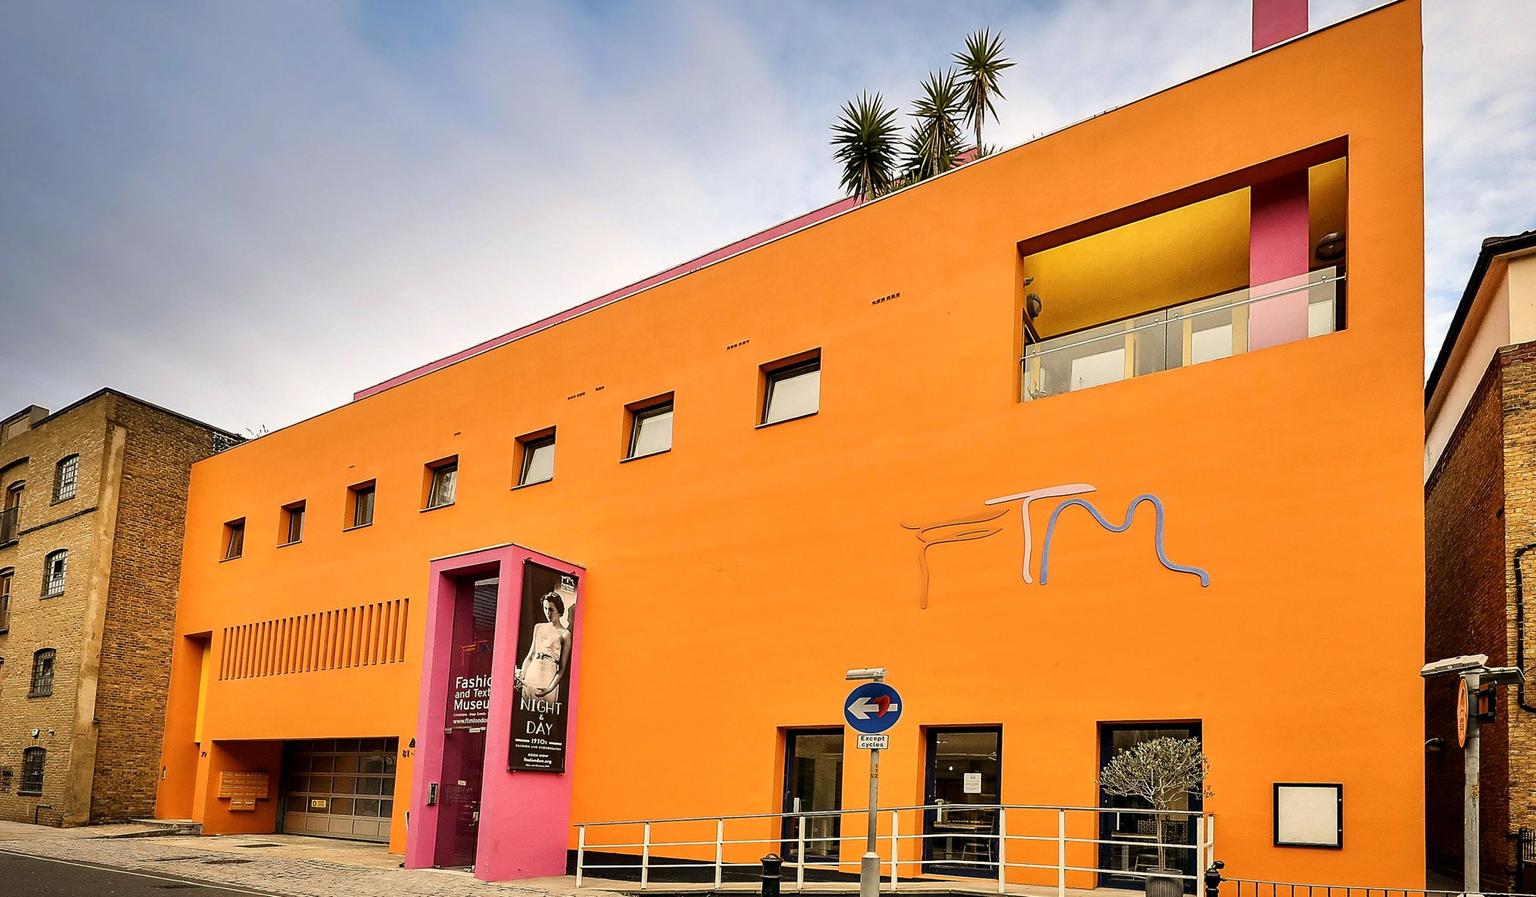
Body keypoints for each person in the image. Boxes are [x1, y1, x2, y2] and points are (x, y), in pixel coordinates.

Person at [516, 591, 570, 702]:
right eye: (545, 608)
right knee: (527, 706)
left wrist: (550, 688)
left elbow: (562, 668)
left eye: (551, 609)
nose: (548, 613)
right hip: (532, 671)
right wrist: (522, 676)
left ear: (559, 610)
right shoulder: (538, 627)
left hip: (548, 676)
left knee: (544, 709)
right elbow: (531, 656)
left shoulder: (565, 634)